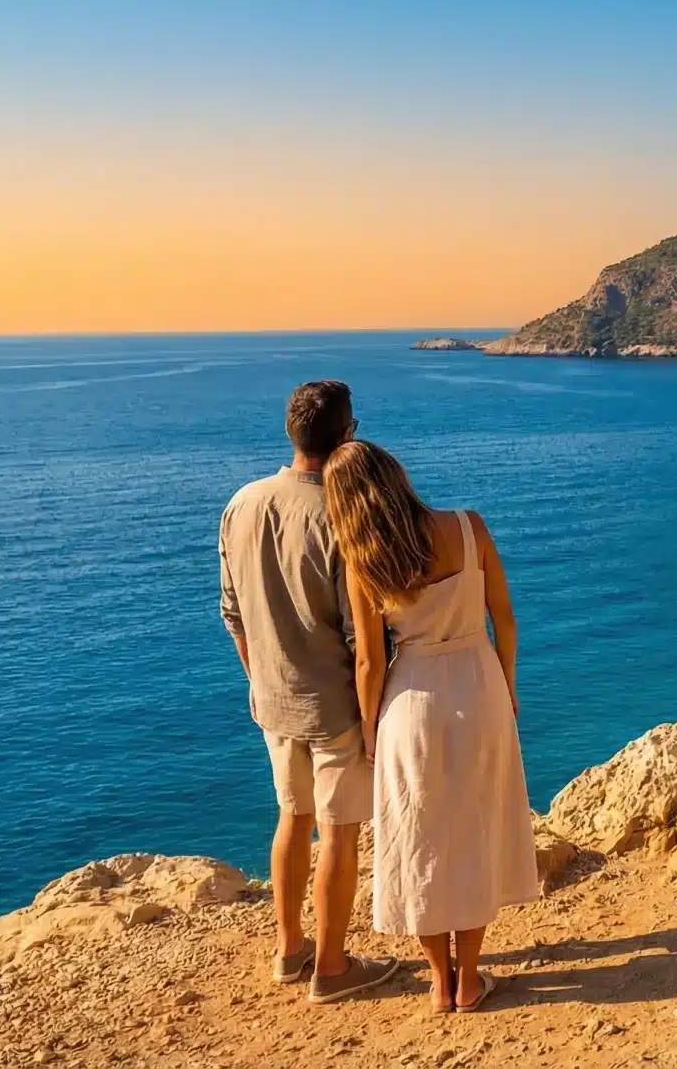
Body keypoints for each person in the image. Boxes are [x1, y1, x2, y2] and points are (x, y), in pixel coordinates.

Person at [322, 439, 536, 1014]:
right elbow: (504, 618)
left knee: (420, 839)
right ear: (396, 474)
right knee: (475, 830)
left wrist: (370, 729)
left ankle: (440, 983)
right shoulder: (470, 527)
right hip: (479, 684)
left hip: (410, 701)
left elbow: (369, 662)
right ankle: (470, 980)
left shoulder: (364, 561)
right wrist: (509, 685)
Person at [219, 381, 399, 1004]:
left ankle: (289, 950)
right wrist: (373, 722)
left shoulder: (241, 504)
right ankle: (332, 967)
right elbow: (363, 643)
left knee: (291, 819)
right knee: (339, 833)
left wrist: (257, 679)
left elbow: (233, 613)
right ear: (348, 436)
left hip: (273, 700)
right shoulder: (345, 519)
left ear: (290, 432)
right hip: (336, 707)